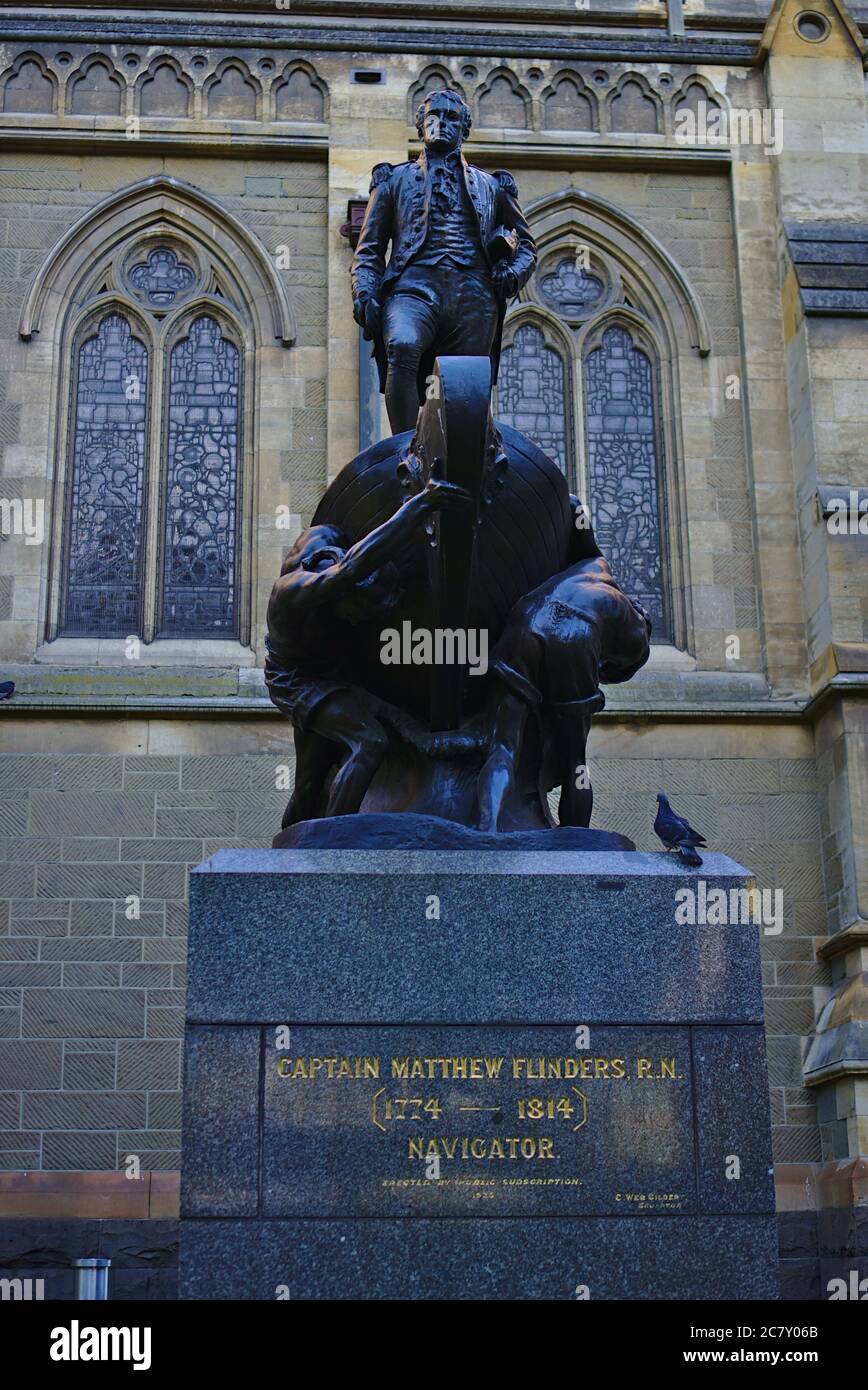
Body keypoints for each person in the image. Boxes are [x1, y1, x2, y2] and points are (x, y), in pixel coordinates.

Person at [265, 474, 471, 825]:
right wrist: (421, 503)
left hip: (337, 676)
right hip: (296, 681)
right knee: (369, 741)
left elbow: (365, 561)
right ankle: (335, 847)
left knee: (310, 781)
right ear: (343, 593)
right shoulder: (295, 590)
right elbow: (351, 569)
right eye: (364, 611)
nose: (366, 621)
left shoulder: (338, 543)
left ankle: (292, 856)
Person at [350, 87, 537, 433]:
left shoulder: (492, 186)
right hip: (413, 288)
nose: (441, 123)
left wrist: (511, 273)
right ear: (420, 126)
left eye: (451, 118)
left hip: (473, 295)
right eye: (432, 116)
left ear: (464, 130)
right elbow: (370, 248)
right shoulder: (393, 180)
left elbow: (527, 244)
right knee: (402, 346)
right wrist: (364, 291)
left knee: (463, 387)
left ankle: (457, 465)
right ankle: (405, 449)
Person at [475, 555, 652, 832]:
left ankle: (486, 829)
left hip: (527, 617)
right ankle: (576, 846)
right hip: (577, 634)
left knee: (502, 748)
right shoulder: (640, 635)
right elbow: (608, 673)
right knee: (576, 763)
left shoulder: (594, 568)